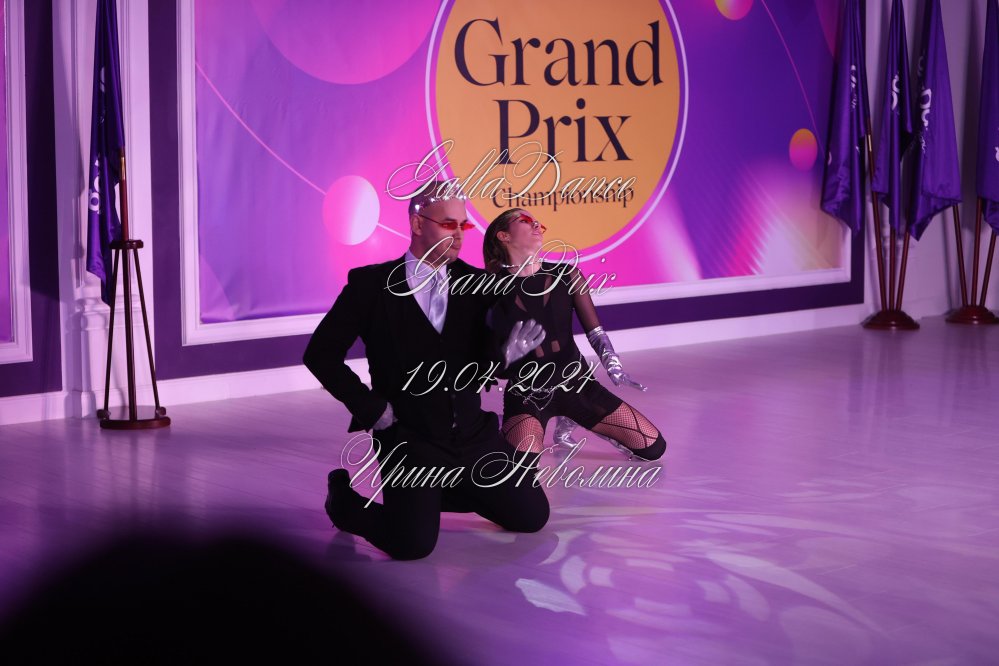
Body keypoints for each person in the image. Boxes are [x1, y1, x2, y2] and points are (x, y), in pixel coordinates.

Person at [304, 184, 550, 560]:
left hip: (473, 436)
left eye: (464, 226)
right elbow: (320, 354)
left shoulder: (478, 285)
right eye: (449, 224)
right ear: (418, 224)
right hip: (410, 439)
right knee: (412, 545)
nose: (459, 235)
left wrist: (505, 357)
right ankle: (343, 501)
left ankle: (431, 497)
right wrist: (371, 409)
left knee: (532, 516)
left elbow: (484, 365)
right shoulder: (371, 285)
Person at [482, 208, 667, 461]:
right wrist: (505, 355)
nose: (537, 226)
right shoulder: (486, 288)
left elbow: (595, 331)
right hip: (527, 395)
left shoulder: (567, 275)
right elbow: (485, 359)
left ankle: (574, 417)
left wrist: (613, 365)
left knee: (654, 448)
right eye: (526, 221)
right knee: (522, 465)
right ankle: (495, 424)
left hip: (579, 386)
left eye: (539, 223)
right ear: (503, 235)